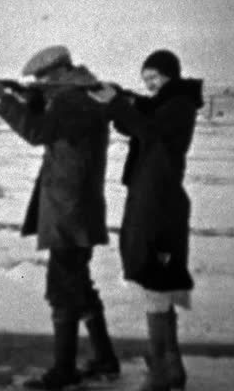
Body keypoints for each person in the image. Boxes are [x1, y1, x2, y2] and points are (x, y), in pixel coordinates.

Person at [0, 45, 120, 390]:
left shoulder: (72, 101)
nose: (40, 86)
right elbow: (52, 126)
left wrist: (6, 99)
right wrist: (26, 97)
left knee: (62, 291)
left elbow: (38, 133)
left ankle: (64, 372)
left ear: (55, 76)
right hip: (75, 207)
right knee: (79, 286)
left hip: (69, 210)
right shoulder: (81, 97)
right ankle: (104, 360)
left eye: (41, 81)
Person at [89, 49, 202, 391]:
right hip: (153, 200)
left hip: (158, 205)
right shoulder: (169, 102)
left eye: (154, 77)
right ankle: (170, 367)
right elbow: (137, 117)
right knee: (158, 287)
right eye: (145, 79)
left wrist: (120, 102)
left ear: (172, 74)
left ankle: (160, 372)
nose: (150, 85)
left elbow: (148, 128)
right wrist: (119, 98)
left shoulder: (179, 105)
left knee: (155, 282)